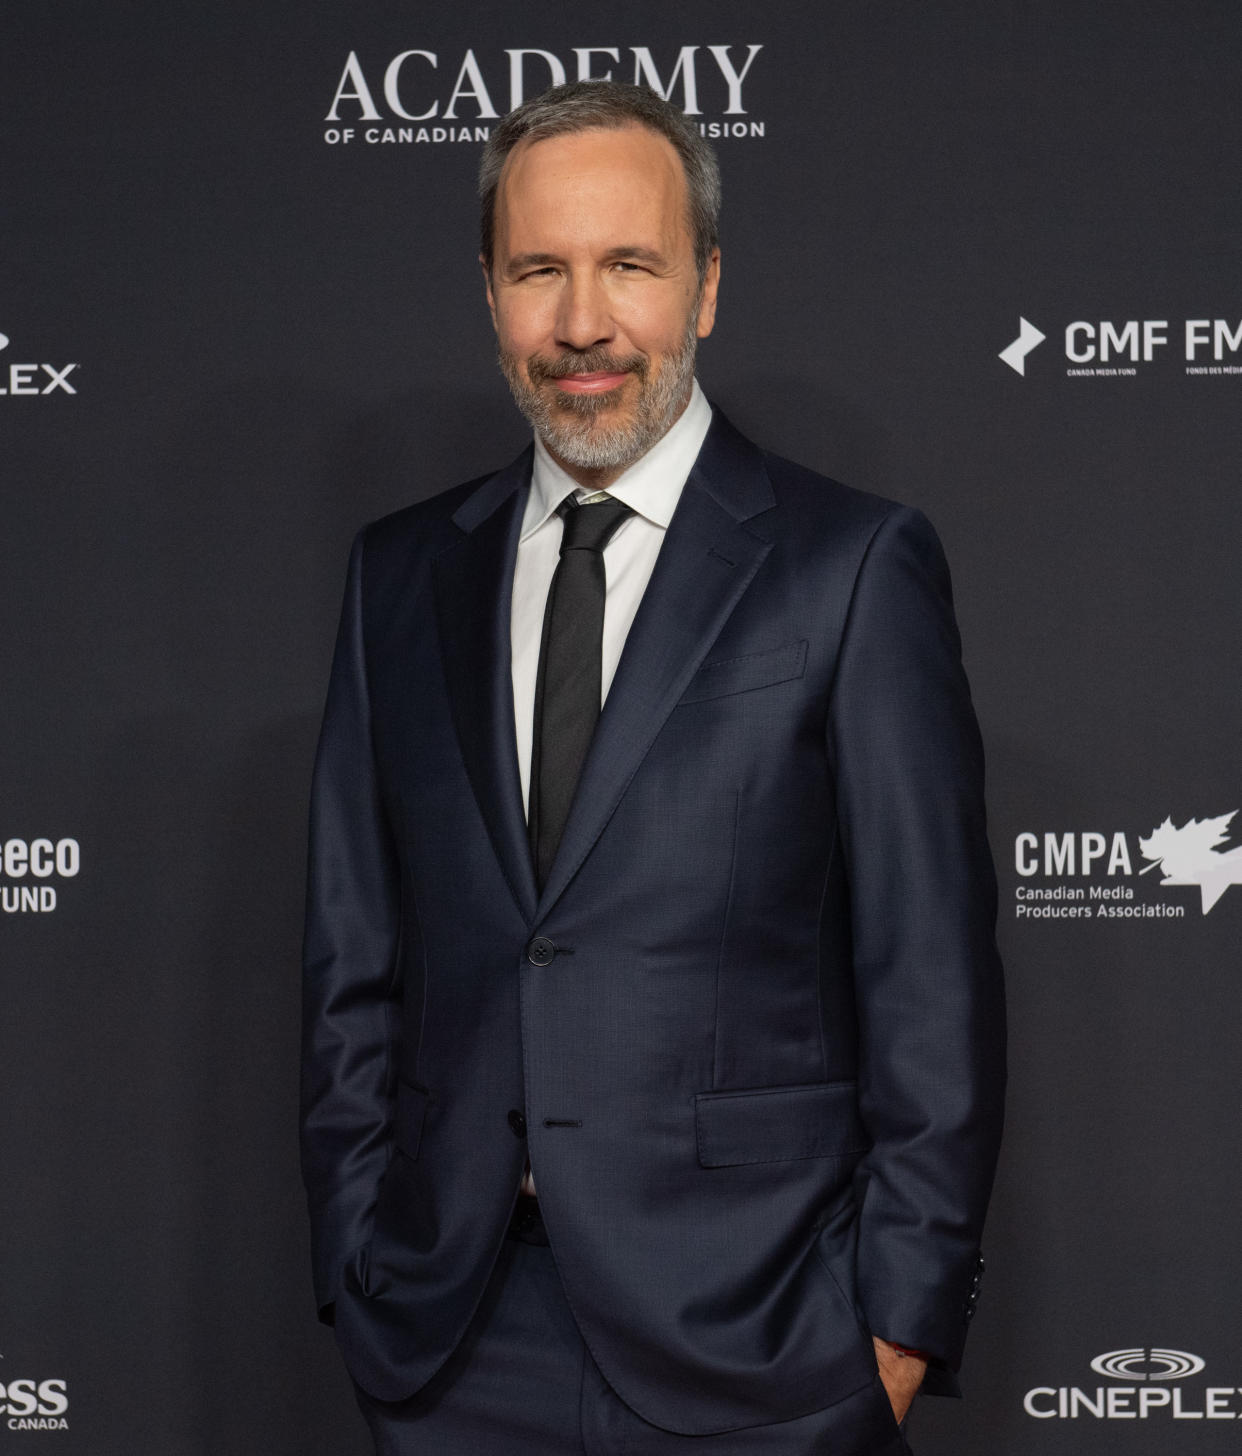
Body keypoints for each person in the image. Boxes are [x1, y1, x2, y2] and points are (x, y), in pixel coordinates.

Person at [300, 80, 1005, 1456]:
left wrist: (897, 1327)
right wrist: (356, 1257)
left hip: (761, 1337)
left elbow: (929, 978)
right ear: (491, 295)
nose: (581, 323)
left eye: (628, 264)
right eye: (538, 271)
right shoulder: (398, 576)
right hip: (449, 1343)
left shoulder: (849, 565)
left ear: (705, 288)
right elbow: (351, 958)